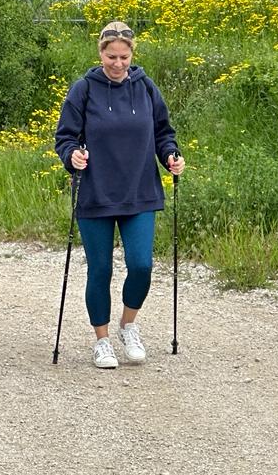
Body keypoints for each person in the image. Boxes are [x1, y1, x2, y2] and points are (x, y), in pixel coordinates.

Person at [54, 20, 185, 369]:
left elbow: (163, 133)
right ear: (100, 54)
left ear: (132, 55)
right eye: (111, 57)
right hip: (95, 191)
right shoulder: (83, 89)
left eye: (124, 57)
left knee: (141, 265)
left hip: (139, 190)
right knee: (100, 270)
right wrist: (72, 155)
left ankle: (128, 326)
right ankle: (102, 341)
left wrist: (171, 156)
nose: (117, 63)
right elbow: (65, 137)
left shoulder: (146, 88)